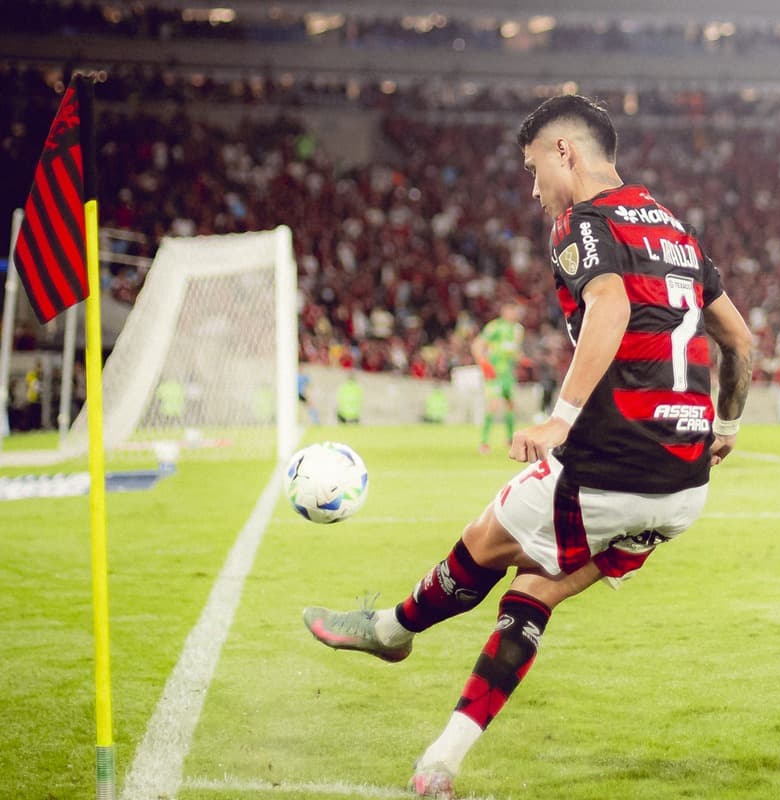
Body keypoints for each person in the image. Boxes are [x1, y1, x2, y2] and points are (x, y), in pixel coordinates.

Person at [302, 95, 754, 798]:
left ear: (564, 153)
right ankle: (440, 763)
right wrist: (725, 427)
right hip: (685, 488)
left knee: (481, 544)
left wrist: (559, 418)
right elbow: (742, 341)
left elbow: (611, 304)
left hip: (609, 466)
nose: (532, 186)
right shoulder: (674, 229)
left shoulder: (583, 222)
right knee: (535, 590)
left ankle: (391, 629)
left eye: (532, 167)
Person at [471, 302, 524, 453]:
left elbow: (514, 351)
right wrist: (483, 363)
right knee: (493, 404)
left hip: (508, 373)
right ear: (503, 311)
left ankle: (509, 439)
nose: (511, 314)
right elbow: (477, 345)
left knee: (510, 404)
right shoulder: (495, 327)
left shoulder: (518, 330)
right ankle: (484, 442)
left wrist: (522, 359)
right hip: (494, 372)